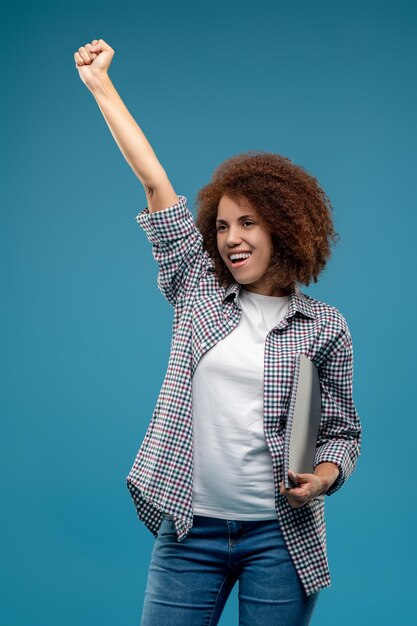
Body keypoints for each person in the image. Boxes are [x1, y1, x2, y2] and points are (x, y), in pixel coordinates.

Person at [74, 39, 362, 626]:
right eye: (224, 224)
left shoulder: (324, 326)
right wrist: (101, 85)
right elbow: (156, 185)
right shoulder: (198, 288)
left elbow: (342, 432)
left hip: (281, 537)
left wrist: (323, 480)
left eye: (249, 222)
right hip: (190, 529)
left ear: (285, 227)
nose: (232, 237)